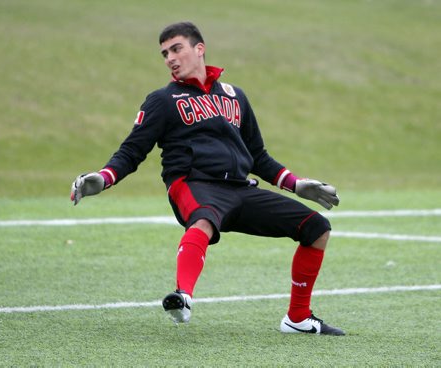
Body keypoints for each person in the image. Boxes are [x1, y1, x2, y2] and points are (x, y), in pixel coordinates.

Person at [70, 21, 344, 335]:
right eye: (164, 53)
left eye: (176, 49)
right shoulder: (162, 100)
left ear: (199, 49)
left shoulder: (234, 96)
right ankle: (183, 297)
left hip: (240, 188)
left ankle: (297, 318)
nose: (170, 58)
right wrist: (103, 178)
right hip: (193, 183)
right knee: (202, 221)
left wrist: (295, 183)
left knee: (317, 228)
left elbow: (257, 155)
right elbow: (132, 151)